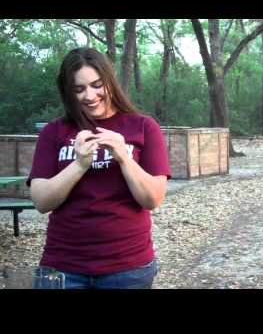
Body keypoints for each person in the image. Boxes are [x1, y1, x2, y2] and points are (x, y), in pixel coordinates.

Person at [27, 47, 171, 289]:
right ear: (68, 92)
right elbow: (41, 202)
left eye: (97, 85)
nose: (90, 95)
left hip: (128, 268)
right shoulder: (54, 132)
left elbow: (153, 199)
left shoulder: (144, 126)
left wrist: (124, 158)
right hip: (63, 266)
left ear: (110, 82)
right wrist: (79, 164)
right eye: (79, 89)